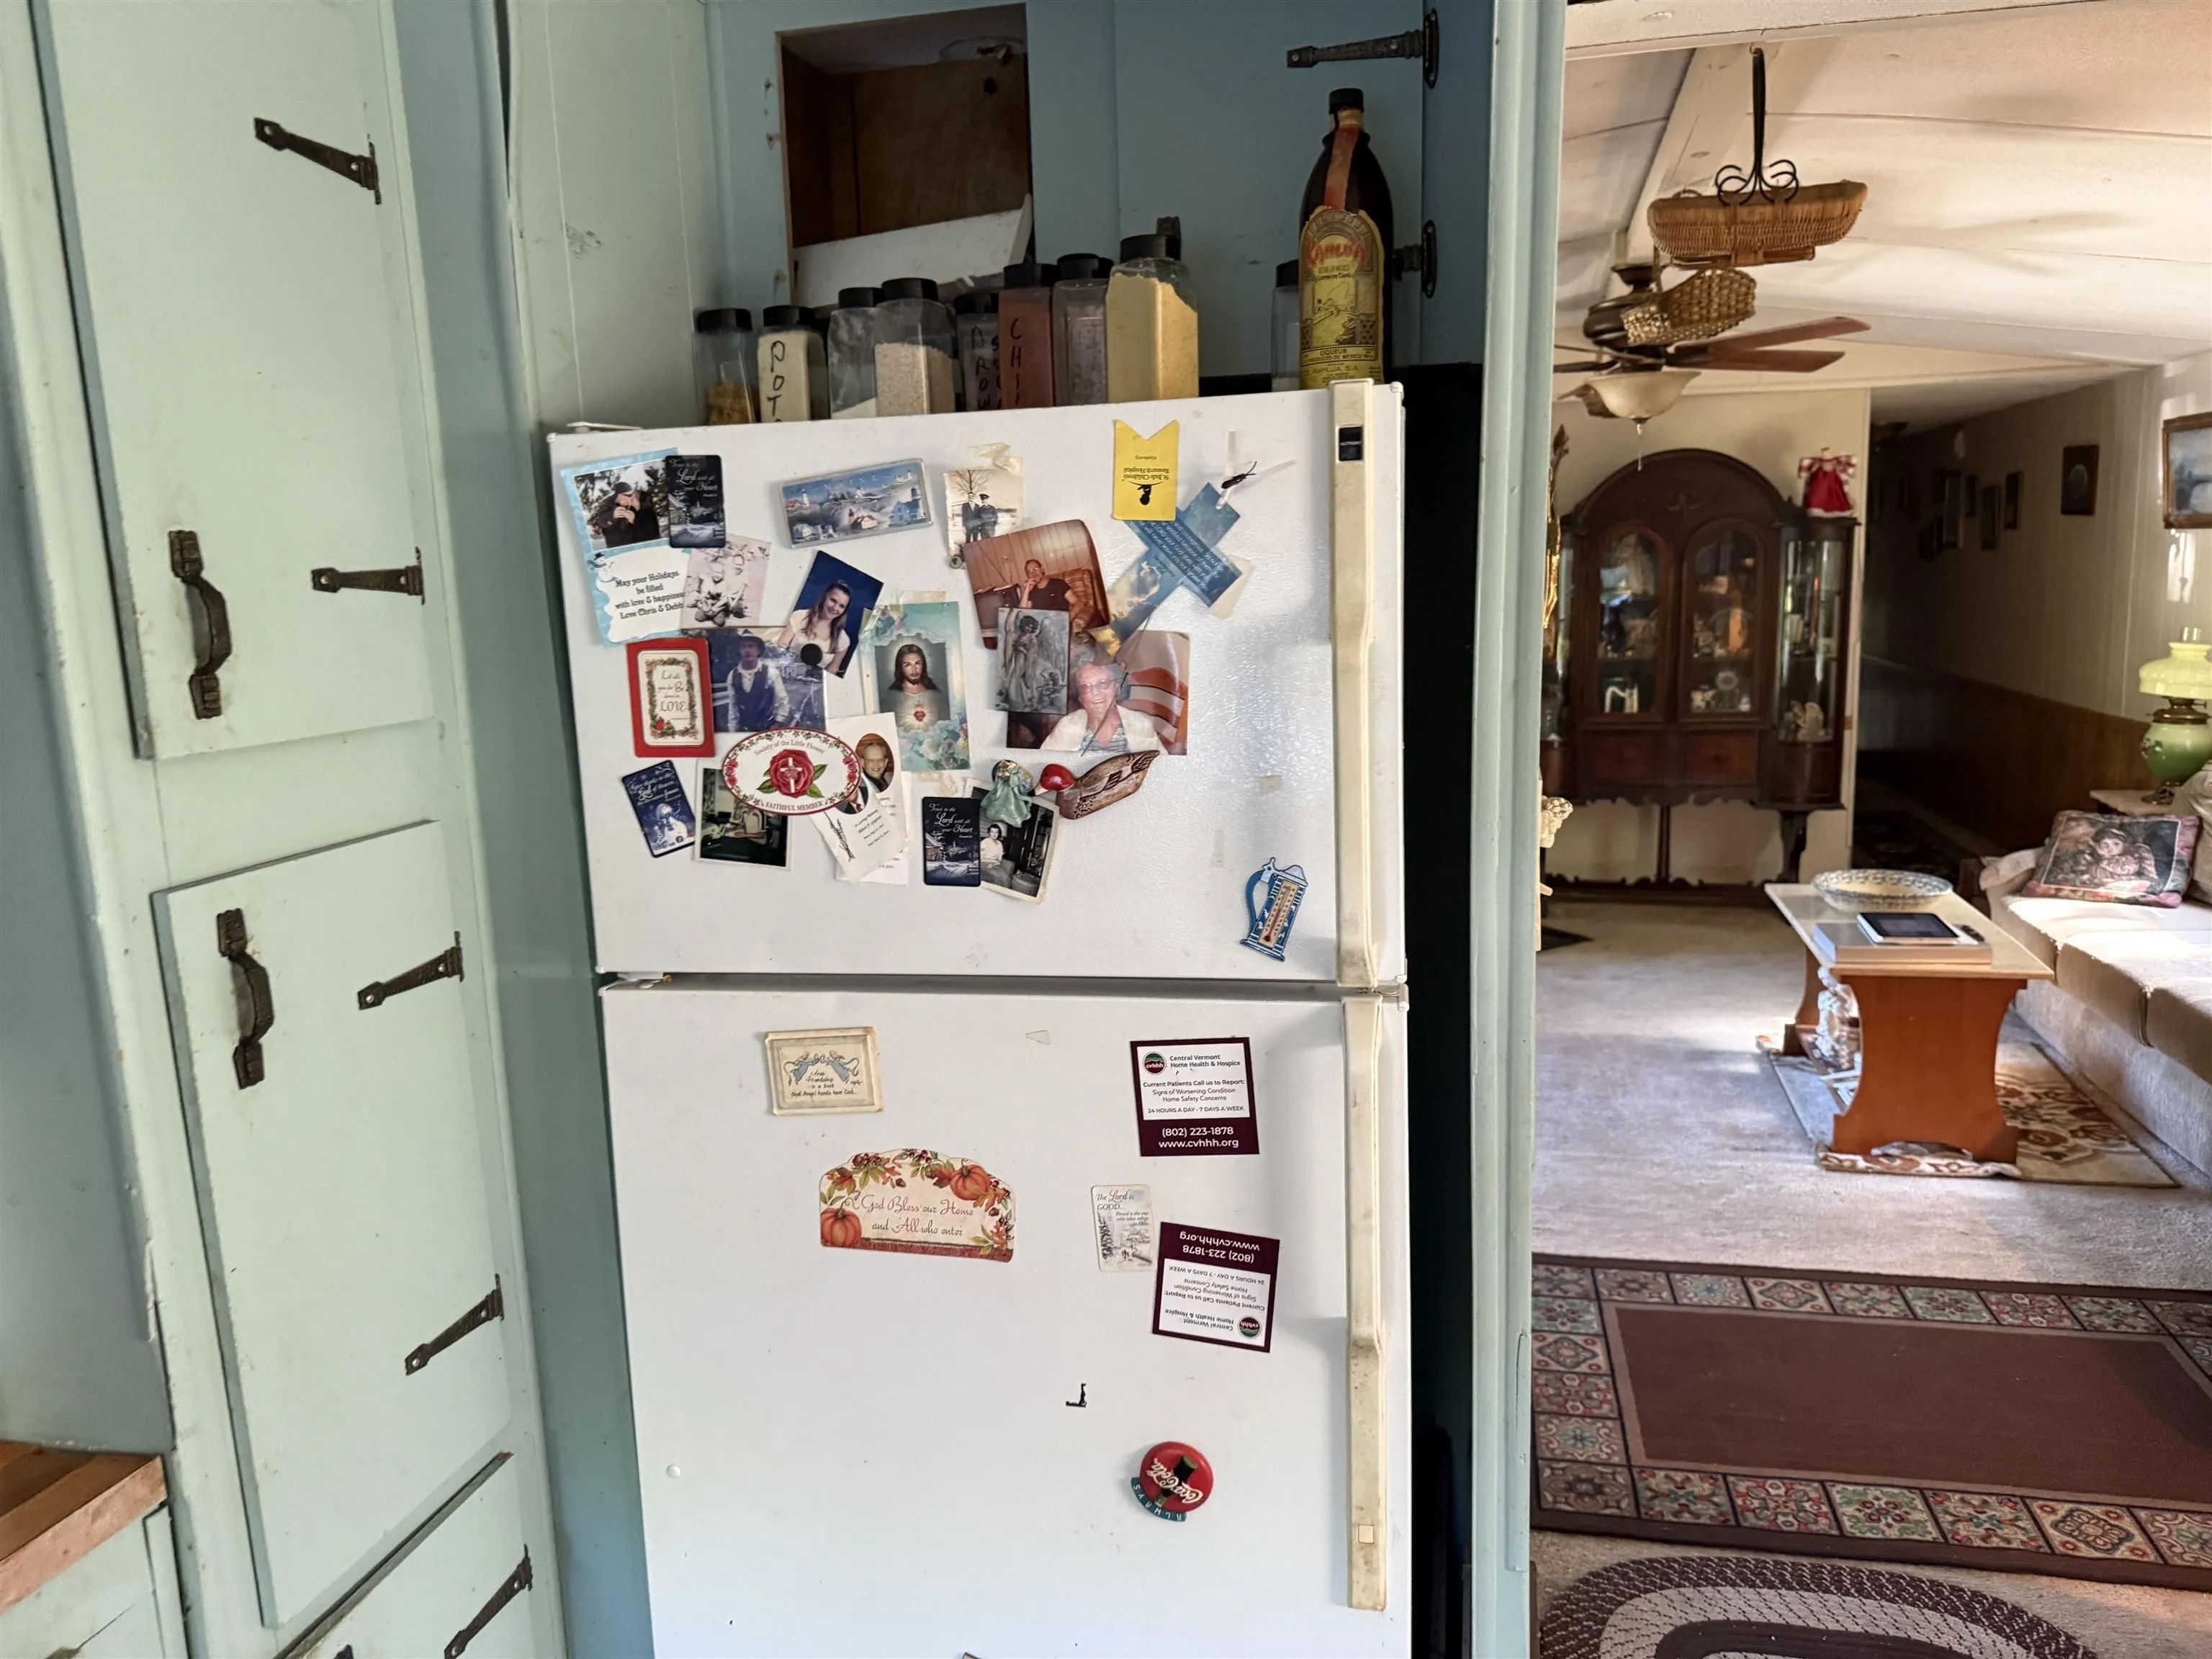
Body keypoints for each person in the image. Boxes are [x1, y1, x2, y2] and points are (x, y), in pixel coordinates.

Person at [1043, 660, 1162, 757]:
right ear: (1081, 698)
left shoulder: (1140, 725)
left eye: (1103, 683)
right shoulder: (1067, 727)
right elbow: (1043, 762)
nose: (1095, 693)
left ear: (1117, 689)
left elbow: (1161, 766)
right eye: (1086, 687)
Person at [778, 580, 856, 673]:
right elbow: (781, 646)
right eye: (833, 600)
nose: (835, 608)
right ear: (825, 597)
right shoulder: (799, 617)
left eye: (841, 606)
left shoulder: (843, 640)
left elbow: (832, 669)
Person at [718, 632, 791, 732]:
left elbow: (782, 701)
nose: (747, 650)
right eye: (743, 647)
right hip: (743, 729)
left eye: (751, 646)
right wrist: (733, 730)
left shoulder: (771, 673)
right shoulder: (733, 675)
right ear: (739, 650)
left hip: (767, 727)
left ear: (759, 650)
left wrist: (777, 725)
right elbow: (733, 706)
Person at [881, 642, 948, 732]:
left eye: (918, 663)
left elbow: (947, 727)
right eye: (907, 665)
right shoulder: (890, 697)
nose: (914, 670)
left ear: (923, 665)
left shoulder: (936, 695)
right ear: (900, 668)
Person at [989, 557, 1071, 616]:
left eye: (1036, 569)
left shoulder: (1058, 584)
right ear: (1028, 576)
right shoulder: (1032, 592)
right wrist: (1026, 591)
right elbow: (1022, 612)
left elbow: (1076, 603)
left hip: (1060, 623)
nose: (1033, 573)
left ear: (1042, 569)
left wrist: (1068, 620)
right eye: (1029, 572)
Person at [593, 478, 661, 547]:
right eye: (628, 496)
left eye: (632, 495)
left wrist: (634, 521)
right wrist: (612, 515)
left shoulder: (636, 505)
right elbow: (601, 521)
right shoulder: (608, 504)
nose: (630, 498)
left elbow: (646, 529)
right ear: (618, 495)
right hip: (616, 545)